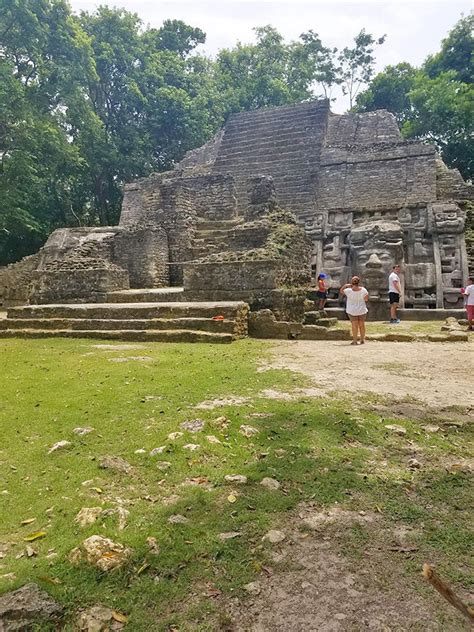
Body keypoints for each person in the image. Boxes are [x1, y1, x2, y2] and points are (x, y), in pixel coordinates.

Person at [340, 276, 369, 345]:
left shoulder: (348, 291)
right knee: (362, 325)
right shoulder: (364, 290)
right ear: (359, 282)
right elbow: (366, 299)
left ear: (352, 282)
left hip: (352, 310)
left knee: (354, 325)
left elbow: (341, 291)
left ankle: (355, 340)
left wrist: (345, 285)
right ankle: (362, 339)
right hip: (362, 310)